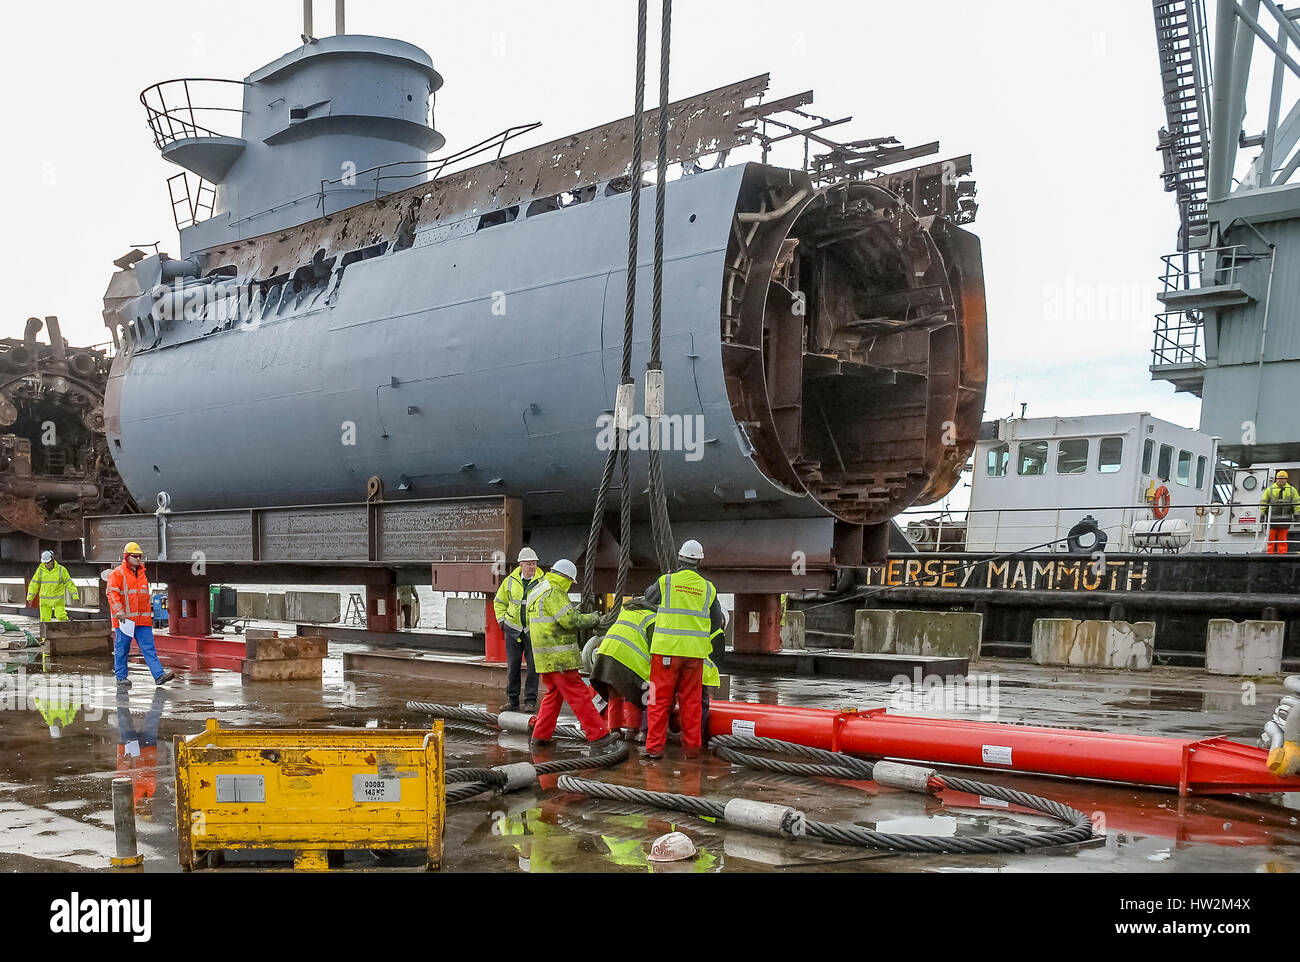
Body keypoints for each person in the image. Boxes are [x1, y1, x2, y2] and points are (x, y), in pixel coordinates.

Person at [524, 558, 619, 751]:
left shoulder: (538, 590)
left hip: (544, 657)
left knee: (554, 695)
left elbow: (547, 619)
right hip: (559, 658)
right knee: (580, 695)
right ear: (566, 578)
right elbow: (569, 620)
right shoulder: (555, 591)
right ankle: (598, 734)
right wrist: (594, 618)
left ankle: (540, 735)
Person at [642, 539, 725, 760]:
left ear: (679, 559)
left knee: (658, 701)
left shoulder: (666, 581)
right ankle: (692, 750)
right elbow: (717, 622)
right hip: (694, 655)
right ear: (699, 561)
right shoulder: (708, 588)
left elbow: (647, 598)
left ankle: (654, 749)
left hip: (666, 652)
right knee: (692, 704)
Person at [106, 542, 174, 689]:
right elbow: (112, 593)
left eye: (139, 556)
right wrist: (119, 611)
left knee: (149, 648)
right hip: (125, 621)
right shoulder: (117, 574)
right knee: (122, 649)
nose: (138, 558)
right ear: (126, 556)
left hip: (142, 621)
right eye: (134, 556)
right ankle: (121, 677)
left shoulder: (142, 574)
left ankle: (159, 675)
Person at [590, 601, 654, 739]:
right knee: (633, 694)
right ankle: (632, 730)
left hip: (605, 654)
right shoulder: (653, 617)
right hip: (627, 660)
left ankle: (614, 729)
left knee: (614, 692)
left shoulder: (626, 611)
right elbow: (655, 646)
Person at [493, 547, 543, 712]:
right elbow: (499, 602)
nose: (532, 567)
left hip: (532, 631)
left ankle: (530, 701)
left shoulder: (543, 582)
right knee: (513, 666)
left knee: (533, 668)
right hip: (513, 631)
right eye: (529, 564)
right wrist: (502, 622)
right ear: (521, 565)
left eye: (534, 564)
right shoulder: (509, 581)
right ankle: (512, 700)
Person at [26, 550, 80, 623]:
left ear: (52, 560)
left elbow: (69, 584)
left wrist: (75, 595)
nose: (47, 564)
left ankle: (66, 631)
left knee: (61, 616)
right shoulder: (40, 571)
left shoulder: (61, 570)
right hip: (45, 600)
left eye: (48, 562)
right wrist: (30, 597)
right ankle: (46, 634)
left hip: (58, 599)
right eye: (45, 563)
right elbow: (34, 584)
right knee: (45, 620)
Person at [1261, 469, 1300, 554]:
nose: (1281, 480)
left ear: (1286, 479)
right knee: (1271, 538)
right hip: (1272, 519)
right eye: (1279, 478)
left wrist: (1297, 514)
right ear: (1276, 479)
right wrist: (1262, 514)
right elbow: (1263, 502)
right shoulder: (1269, 490)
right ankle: (1269, 553)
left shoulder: (1292, 490)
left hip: (1285, 519)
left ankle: (1282, 553)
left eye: (1283, 478)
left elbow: (1296, 503)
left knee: (1282, 538)